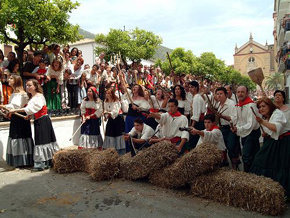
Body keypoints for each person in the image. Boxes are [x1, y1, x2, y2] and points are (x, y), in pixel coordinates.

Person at [10, 79, 59, 171]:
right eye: (27, 86)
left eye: (30, 85)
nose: (28, 87)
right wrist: (29, 116)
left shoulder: (39, 96)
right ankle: (45, 162)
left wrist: (15, 110)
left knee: (42, 141)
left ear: (36, 86)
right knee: (40, 141)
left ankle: (44, 163)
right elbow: (32, 110)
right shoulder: (33, 97)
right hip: (38, 120)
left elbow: (32, 108)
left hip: (43, 121)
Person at [250, 97, 289, 197]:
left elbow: (276, 128)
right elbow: (270, 130)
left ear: (270, 106)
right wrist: (266, 134)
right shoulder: (267, 116)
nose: (261, 109)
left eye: (264, 106)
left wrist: (262, 122)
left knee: (281, 165)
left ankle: (281, 192)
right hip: (274, 141)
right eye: (259, 107)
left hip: (283, 143)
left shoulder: (277, 113)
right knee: (260, 159)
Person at [0, 75, 34, 167]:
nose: (9, 80)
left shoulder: (22, 94)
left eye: (11, 78)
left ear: (16, 81)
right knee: (15, 136)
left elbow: (16, 106)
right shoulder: (14, 92)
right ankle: (17, 160)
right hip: (15, 118)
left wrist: (4, 106)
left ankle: (24, 161)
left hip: (21, 119)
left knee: (20, 136)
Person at [231, 86, 261, 172]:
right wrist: (234, 127)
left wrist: (238, 129)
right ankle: (253, 174)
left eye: (242, 92)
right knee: (252, 155)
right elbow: (238, 120)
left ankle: (248, 175)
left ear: (247, 93)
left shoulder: (251, 105)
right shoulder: (238, 105)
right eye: (238, 92)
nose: (240, 94)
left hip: (252, 133)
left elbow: (251, 124)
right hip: (244, 132)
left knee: (247, 156)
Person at [215, 87, 240, 169]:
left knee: (231, 147)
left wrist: (222, 116)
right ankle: (229, 164)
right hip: (222, 129)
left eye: (221, 94)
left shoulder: (231, 104)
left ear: (226, 94)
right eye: (217, 94)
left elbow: (234, 118)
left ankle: (235, 168)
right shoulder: (218, 104)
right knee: (224, 147)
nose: (219, 96)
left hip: (231, 128)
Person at [103, 87, 126, 154]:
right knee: (109, 134)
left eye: (109, 93)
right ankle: (111, 150)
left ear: (112, 94)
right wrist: (106, 115)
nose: (107, 95)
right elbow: (105, 109)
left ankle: (119, 151)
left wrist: (109, 113)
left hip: (117, 119)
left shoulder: (116, 101)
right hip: (111, 120)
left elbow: (115, 111)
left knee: (118, 134)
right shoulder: (105, 101)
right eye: (106, 93)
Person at [188, 81, 206, 149]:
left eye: (192, 87)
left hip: (198, 123)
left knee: (193, 142)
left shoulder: (197, 98)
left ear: (196, 88)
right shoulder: (196, 97)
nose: (190, 89)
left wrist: (192, 126)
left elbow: (196, 114)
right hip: (199, 122)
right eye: (189, 87)